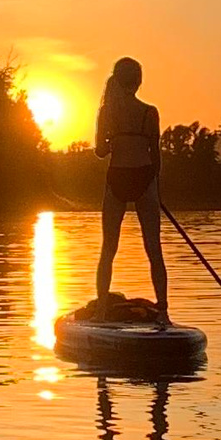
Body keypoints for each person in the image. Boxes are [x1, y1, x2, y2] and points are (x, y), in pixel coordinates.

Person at [94, 56, 169, 321]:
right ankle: (163, 312)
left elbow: (100, 151)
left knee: (108, 248)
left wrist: (111, 138)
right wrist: (155, 192)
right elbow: (156, 156)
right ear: (139, 82)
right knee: (154, 248)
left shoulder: (107, 112)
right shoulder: (150, 112)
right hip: (144, 178)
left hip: (117, 179)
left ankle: (101, 311)